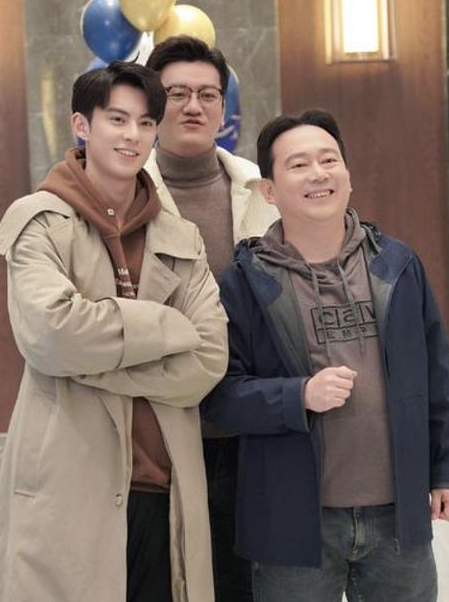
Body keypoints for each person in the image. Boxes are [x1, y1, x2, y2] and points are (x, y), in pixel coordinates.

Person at [0, 61, 228, 602]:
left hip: (165, 490)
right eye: (117, 119)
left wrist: (91, 364)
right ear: (81, 125)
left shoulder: (180, 235)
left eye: (145, 122)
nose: (132, 135)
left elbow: (207, 360)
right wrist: (165, 324)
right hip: (68, 489)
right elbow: (53, 336)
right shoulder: (39, 221)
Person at [201, 109, 449, 602]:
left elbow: (437, 377)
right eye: (299, 164)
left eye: (329, 160)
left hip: (398, 518)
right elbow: (219, 397)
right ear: (269, 191)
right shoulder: (246, 282)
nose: (318, 174)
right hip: (293, 523)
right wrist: (299, 395)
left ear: (347, 176)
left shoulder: (397, 265)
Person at [143, 35, 278, 601]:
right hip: (159, 430)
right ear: (152, 105)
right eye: (176, 94)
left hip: (251, 429)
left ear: (224, 107)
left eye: (207, 94)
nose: (193, 106)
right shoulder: (124, 191)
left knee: (248, 583)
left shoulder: (262, 187)